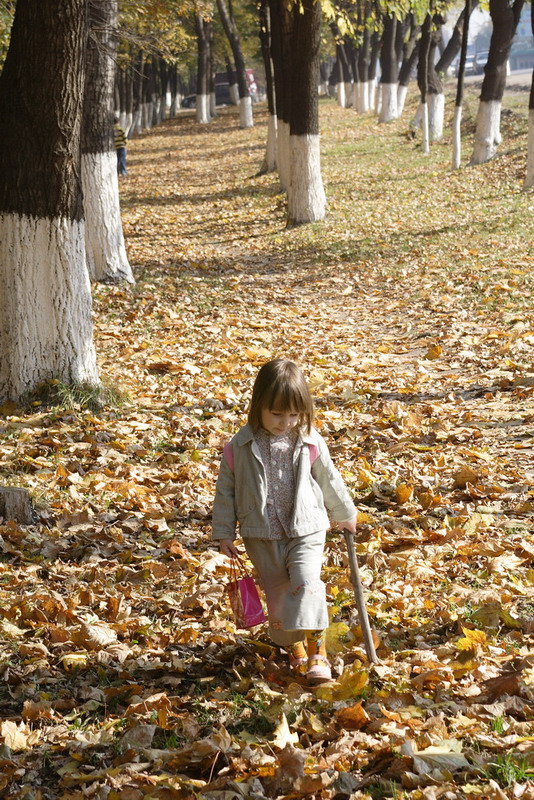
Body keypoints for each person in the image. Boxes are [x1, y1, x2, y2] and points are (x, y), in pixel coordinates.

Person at [212, 358, 357, 685]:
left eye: (294, 414)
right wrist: (223, 532)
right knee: (278, 596)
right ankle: (295, 651)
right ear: (259, 405)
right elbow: (226, 492)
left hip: (306, 527)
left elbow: (329, 478)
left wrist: (344, 512)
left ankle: (318, 652)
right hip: (261, 534)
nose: (286, 422)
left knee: (307, 583)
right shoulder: (239, 446)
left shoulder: (309, 440)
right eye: (277, 414)